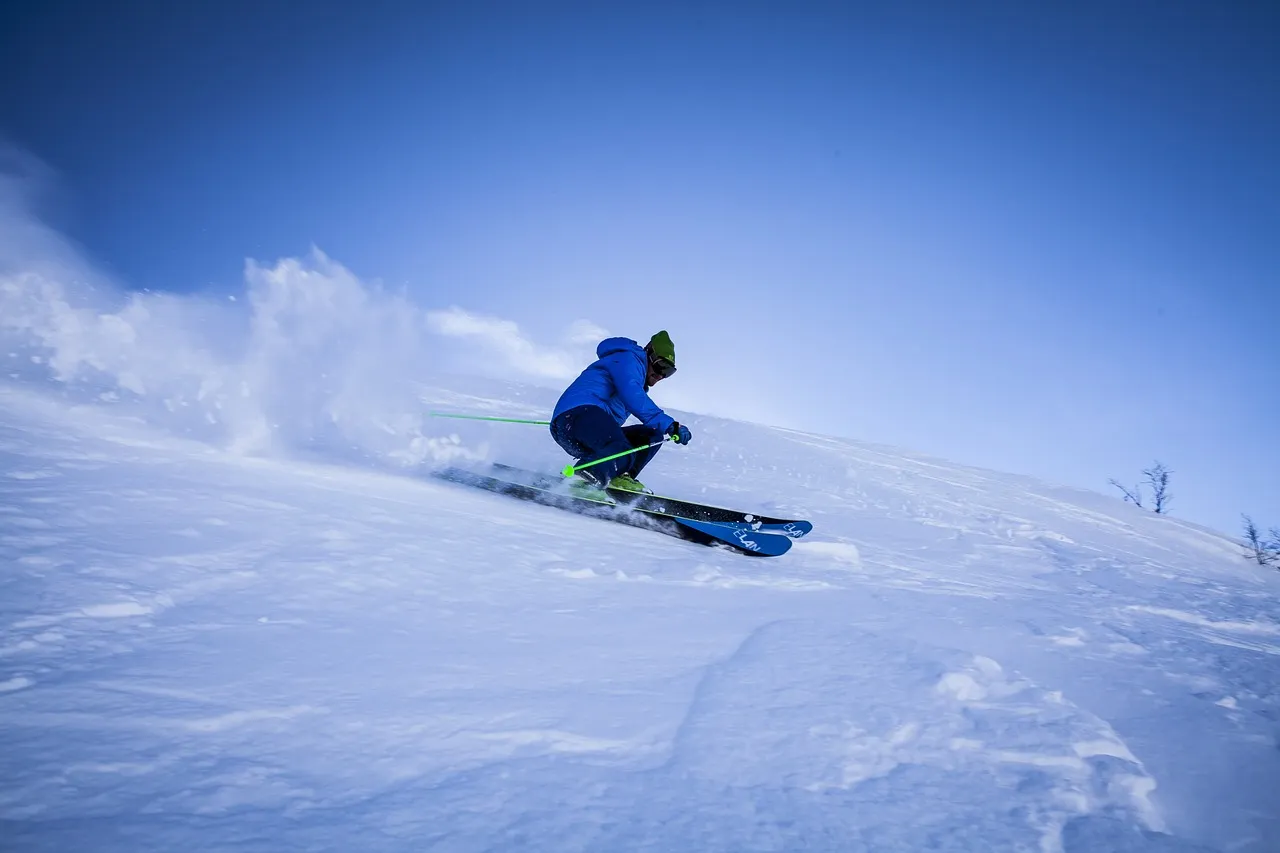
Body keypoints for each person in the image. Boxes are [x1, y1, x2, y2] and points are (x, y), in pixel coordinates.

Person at [550, 330, 692, 493]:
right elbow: (632, 395)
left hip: (591, 429)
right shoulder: (629, 360)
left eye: (668, 372)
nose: (661, 375)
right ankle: (584, 481)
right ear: (649, 354)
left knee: (650, 437)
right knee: (620, 447)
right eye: (661, 366)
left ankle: (618, 477)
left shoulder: (639, 379)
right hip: (575, 417)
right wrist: (670, 425)